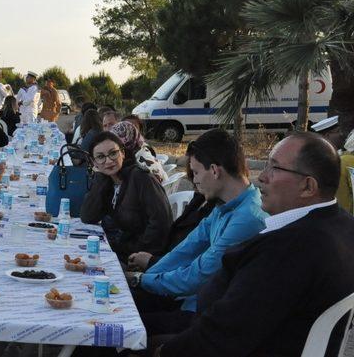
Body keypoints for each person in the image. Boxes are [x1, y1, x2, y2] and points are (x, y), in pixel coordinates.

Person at [156, 132, 354, 357]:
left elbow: (224, 333)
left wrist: (162, 352)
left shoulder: (287, 249)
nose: (262, 178)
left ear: (308, 187)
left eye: (275, 168)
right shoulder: (343, 224)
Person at [128, 129, 267, 337]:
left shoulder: (248, 217)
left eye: (195, 172)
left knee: (120, 330)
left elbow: (199, 273)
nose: (194, 181)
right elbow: (186, 249)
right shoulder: (225, 205)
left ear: (214, 170)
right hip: (188, 300)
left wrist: (142, 280)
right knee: (119, 303)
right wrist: (145, 278)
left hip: (208, 317)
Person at [80, 131, 172, 262]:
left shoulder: (140, 177)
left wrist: (137, 253)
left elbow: (161, 223)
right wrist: (100, 178)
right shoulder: (108, 181)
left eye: (113, 153)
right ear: (93, 162)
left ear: (122, 153)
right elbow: (88, 216)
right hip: (119, 248)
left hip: (141, 255)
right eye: (100, 157)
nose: (108, 161)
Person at [311, 115, 354, 213]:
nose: (342, 134)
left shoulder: (340, 156)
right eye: (338, 131)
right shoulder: (319, 160)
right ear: (327, 135)